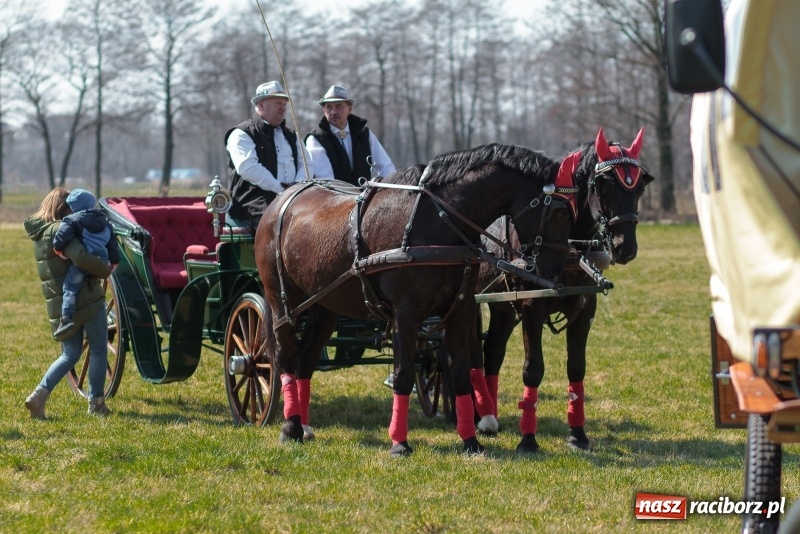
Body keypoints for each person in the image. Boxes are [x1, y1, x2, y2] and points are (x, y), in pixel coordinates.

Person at [24, 188, 114, 418]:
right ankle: (96, 404)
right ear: (64, 208)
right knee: (98, 349)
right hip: (86, 299)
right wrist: (105, 271)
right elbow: (82, 257)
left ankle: (38, 396)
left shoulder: (40, 233)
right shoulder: (61, 230)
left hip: (62, 304)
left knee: (69, 354)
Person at [224, 80, 311, 228]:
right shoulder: (242, 134)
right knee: (283, 219)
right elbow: (248, 168)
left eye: (284, 104)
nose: (283, 108)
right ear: (261, 104)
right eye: (278, 103)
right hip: (253, 200)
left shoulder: (292, 135)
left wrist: (297, 187)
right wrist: (280, 188)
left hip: (294, 195)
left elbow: (306, 164)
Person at [52, 189, 120, 341]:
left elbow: (62, 236)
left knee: (70, 287)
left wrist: (58, 249)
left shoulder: (72, 220)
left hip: (83, 264)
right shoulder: (105, 222)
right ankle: (102, 316)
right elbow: (112, 244)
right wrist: (114, 261)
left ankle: (66, 318)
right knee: (94, 289)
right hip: (101, 264)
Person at [305, 85, 396, 186]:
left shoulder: (364, 134)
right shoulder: (316, 139)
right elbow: (327, 182)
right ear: (324, 111)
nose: (333, 112)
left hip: (365, 199)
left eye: (339, 106)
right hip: (333, 199)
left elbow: (387, 168)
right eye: (329, 107)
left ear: (349, 109)